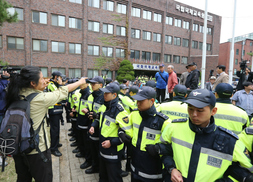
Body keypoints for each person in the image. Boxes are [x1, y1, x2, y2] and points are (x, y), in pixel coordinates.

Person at [150, 89, 253, 182]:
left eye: (200, 110)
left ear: (213, 111)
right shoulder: (174, 128)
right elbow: (164, 151)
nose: (194, 114)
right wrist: (171, 169)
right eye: (190, 109)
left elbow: (245, 172)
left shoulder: (230, 141)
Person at [5, 66, 87, 182]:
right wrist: (80, 81)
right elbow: (64, 91)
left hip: (19, 149)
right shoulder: (39, 99)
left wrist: (43, 84)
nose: (45, 80)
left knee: (23, 178)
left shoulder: (15, 93)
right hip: (37, 151)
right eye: (42, 78)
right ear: (33, 83)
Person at [119, 86, 171, 182]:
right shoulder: (134, 114)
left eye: (141, 101)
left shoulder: (163, 121)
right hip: (134, 169)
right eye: (137, 100)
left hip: (152, 174)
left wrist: (159, 149)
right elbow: (123, 125)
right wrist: (121, 132)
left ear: (151, 101)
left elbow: (173, 147)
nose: (137, 103)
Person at [89, 83, 129, 182]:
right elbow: (98, 119)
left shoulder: (120, 111)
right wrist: (93, 126)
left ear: (114, 95)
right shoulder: (104, 106)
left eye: (107, 93)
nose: (104, 95)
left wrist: (112, 143)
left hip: (113, 152)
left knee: (114, 177)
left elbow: (127, 135)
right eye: (104, 93)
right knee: (103, 176)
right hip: (102, 149)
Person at [84, 76, 105, 174]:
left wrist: (97, 116)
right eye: (91, 83)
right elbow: (90, 108)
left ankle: (98, 167)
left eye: (94, 84)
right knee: (92, 146)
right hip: (91, 124)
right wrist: (88, 112)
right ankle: (94, 165)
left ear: (100, 85)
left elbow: (106, 113)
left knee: (98, 148)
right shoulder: (92, 95)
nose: (91, 85)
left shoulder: (104, 96)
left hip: (100, 127)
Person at [47, 71, 65, 157]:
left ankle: (56, 143)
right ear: (56, 77)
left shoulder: (55, 84)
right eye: (60, 77)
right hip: (53, 110)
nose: (62, 79)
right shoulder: (51, 84)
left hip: (57, 109)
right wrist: (61, 84)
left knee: (57, 128)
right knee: (54, 129)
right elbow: (60, 94)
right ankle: (53, 148)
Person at [0, 71, 10, 167]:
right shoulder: (2, 83)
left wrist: (7, 80)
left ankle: (3, 152)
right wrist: (4, 80)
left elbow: (8, 90)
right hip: (0, 111)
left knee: (3, 133)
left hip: (4, 111)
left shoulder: (4, 82)